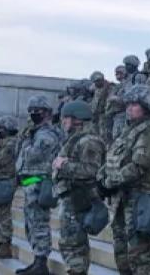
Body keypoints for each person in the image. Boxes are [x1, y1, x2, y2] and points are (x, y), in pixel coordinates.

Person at [97, 84, 150, 275]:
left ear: (147, 106)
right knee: (121, 250)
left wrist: (108, 182)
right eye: (128, 104)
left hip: (140, 199)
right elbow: (113, 157)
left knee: (139, 253)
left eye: (135, 104)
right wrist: (102, 177)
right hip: (122, 198)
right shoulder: (129, 130)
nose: (129, 108)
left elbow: (138, 166)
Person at [53, 101, 106, 275]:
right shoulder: (74, 139)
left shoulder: (88, 141)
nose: (63, 122)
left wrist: (64, 166)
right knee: (69, 243)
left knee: (74, 244)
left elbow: (91, 170)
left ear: (77, 119)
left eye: (66, 118)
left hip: (79, 199)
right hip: (70, 198)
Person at [15, 96, 64, 275]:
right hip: (31, 180)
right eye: (31, 111)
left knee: (39, 222)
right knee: (31, 221)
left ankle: (41, 262)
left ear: (47, 113)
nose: (34, 114)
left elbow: (34, 155)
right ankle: (37, 259)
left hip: (40, 181)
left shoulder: (47, 134)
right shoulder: (34, 132)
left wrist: (26, 144)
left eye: (38, 111)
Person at [0, 116, 21, 259]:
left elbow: (2, 161)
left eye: (2, 129)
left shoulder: (12, 144)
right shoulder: (0, 143)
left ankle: (5, 245)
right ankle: (2, 243)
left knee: (3, 214)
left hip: (7, 180)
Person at [105, 65, 128, 142]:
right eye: (116, 73)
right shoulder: (118, 86)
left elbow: (126, 100)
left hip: (121, 114)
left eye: (119, 73)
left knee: (117, 136)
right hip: (113, 114)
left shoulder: (127, 85)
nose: (117, 75)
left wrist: (115, 98)